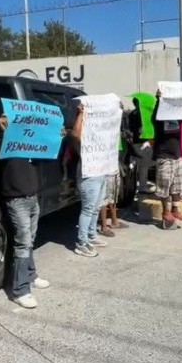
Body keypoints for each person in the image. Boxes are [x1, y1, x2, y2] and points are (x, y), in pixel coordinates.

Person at [0, 113, 55, 309]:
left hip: (32, 197)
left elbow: (47, 155)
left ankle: (30, 274)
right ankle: (20, 290)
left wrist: (56, 136)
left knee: (29, 241)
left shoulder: (31, 141)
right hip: (16, 199)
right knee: (23, 242)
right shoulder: (3, 141)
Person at [70, 102, 110, 257]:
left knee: (95, 207)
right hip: (89, 175)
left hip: (101, 173)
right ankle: (81, 242)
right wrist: (81, 114)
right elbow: (75, 135)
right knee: (88, 209)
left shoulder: (98, 135)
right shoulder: (82, 138)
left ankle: (91, 236)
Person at [152, 90, 182, 229]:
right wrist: (159, 99)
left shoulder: (177, 118)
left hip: (177, 156)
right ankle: (165, 212)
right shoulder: (159, 119)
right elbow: (155, 114)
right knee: (164, 187)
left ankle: (175, 210)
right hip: (164, 156)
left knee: (177, 186)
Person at [127, 98, 155, 194]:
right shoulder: (140, 114)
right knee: (144, 165)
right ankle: (142, 187)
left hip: (139, 142)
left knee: (143, 164)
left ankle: (134, 163)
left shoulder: (132, 114)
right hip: (142, 142)